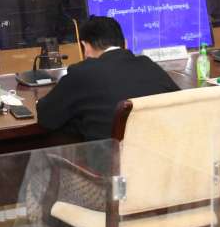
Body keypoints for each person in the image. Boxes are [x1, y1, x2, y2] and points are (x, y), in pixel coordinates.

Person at [36, 15, 179, 142]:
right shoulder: (148, 65)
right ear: (125, 43)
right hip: (158, 157)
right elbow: (181, 104)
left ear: (85, 46)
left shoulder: (82, 72)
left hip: (107, 161)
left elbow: (46, 117)